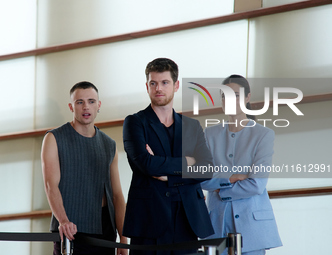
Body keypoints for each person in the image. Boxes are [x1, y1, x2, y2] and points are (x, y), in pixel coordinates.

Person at [122, 58, 214, 255]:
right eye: (153, 83)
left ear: (176, 85)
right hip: (149, 219)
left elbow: (207, 169)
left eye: (165, 83)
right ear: (147, 86)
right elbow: (147, 164)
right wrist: (188, 162)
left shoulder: (192, 126)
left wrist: (169, 175)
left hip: (188, 218)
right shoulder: (135, 123)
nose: (158, 89)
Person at [41, 81, 128, 255]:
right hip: (70, 230)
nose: (86, 107)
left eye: (91, 101)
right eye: (80, 102)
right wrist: (63, 221)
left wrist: (123, 239)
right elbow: (51, 186)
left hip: (105, 230)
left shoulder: (109, 145)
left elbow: (117, 196)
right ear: (71, 107)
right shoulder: (54, 138)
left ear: (99, 105)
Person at [201, 75, 282, 255]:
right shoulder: (210, 134)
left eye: (236, 95)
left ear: (247, 98)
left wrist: (220, 188)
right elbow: (199, 178)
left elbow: (257, 184)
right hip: (216, 227)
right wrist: (230, 179)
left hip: (252, 229)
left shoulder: (263, 134)